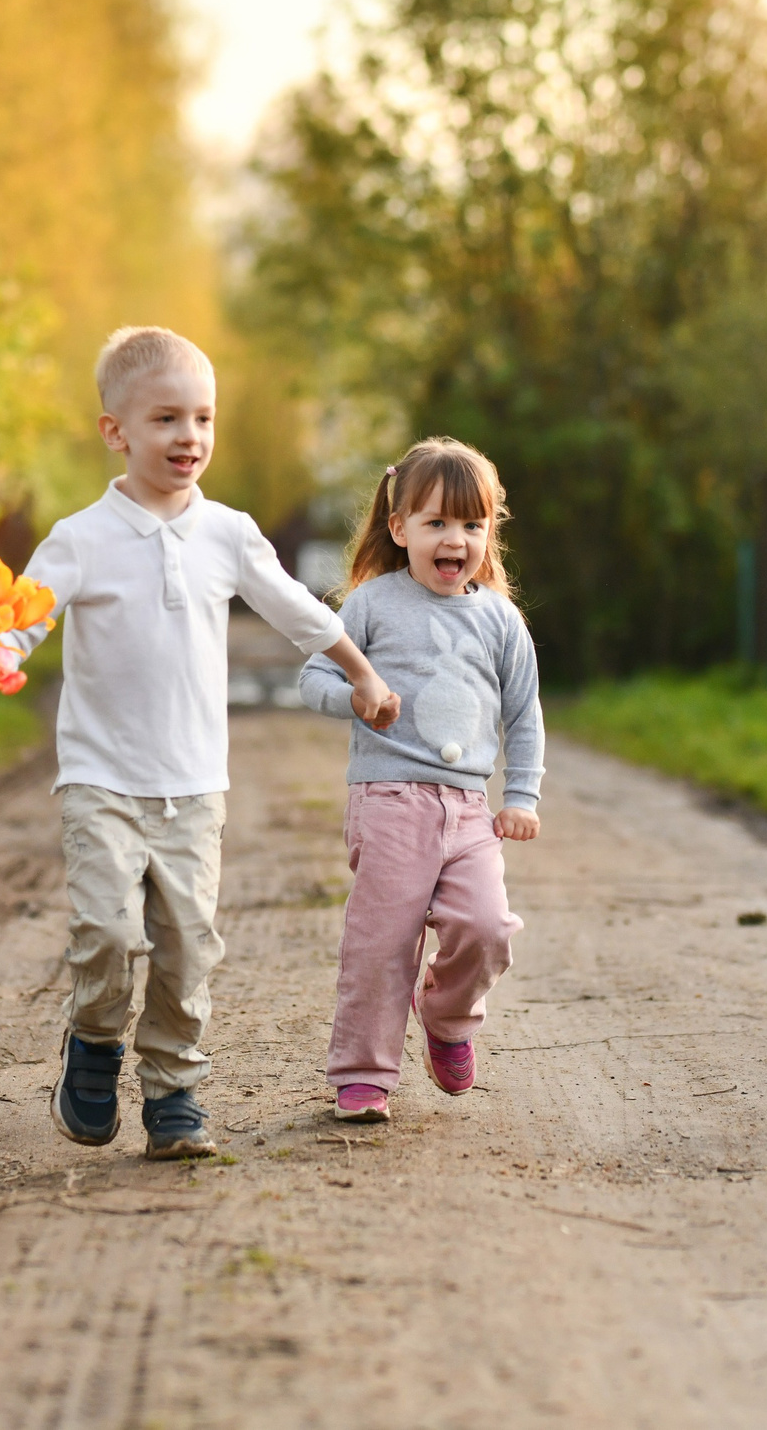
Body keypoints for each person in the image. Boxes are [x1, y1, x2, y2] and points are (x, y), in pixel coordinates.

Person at [0, 327, 400, 1159]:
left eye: (203, 419)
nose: (190, 438)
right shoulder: (81, 537)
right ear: (116, 431)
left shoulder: (228, 533)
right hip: (101, 777)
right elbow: (23, 621)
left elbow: (297, 611)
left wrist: (362, 672)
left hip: (194, 785)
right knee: (106, 931)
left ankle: (172, 1090)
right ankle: (94, 1045)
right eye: (167, 419)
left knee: (187, 945)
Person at [299, 437, 541, 1124]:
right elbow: (315, 677)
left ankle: (446, 1014)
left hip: (468, 809)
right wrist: (354, 695)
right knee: (381, 940)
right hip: (389, 802)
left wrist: (521, 794)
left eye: (472, 524)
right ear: (400, 527)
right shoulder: (372, 605)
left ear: (489, 531)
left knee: (488, 926)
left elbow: (524, 714)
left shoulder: (499, 619)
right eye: (436, 523)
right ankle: (363, 1073)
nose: (455, 539)